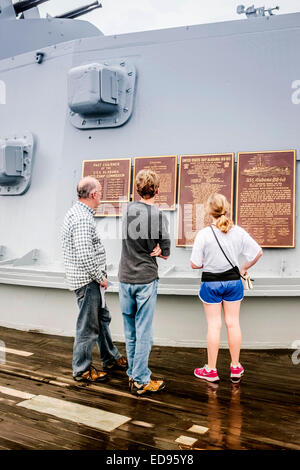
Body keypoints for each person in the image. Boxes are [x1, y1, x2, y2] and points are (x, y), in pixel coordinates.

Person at [190, 193, 262, 383]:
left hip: (211, 284)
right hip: (233, 283)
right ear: (226, 208)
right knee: (233, 323)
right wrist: (244, 268)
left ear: (208, 212)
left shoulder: (203, 234)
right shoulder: (237, 231)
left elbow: (195, 264)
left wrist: (208, 260)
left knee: (214, 325)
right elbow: (258, 252)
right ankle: (236, 367)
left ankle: (211, 370)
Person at [61, 176, 127, 383]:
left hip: (90, 281)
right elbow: (84, 253)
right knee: (88, 326)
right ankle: (81, 369)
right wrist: (100, 278)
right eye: (99, 191)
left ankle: (110, 357)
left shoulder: (79, 213)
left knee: (101, 320)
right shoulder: (81, 218)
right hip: (88, 282)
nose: (101, 195)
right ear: (93, 194)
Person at [118, 169, 171, 395]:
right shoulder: (159, 216)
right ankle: (140, 380)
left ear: (137, 190)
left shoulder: (126, 210)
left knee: (130, 331)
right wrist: (158, 250)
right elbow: (166, 253)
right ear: (157, 190)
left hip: (124, 278)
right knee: (144, 332)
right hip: (145, 279)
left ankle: (133, 373)